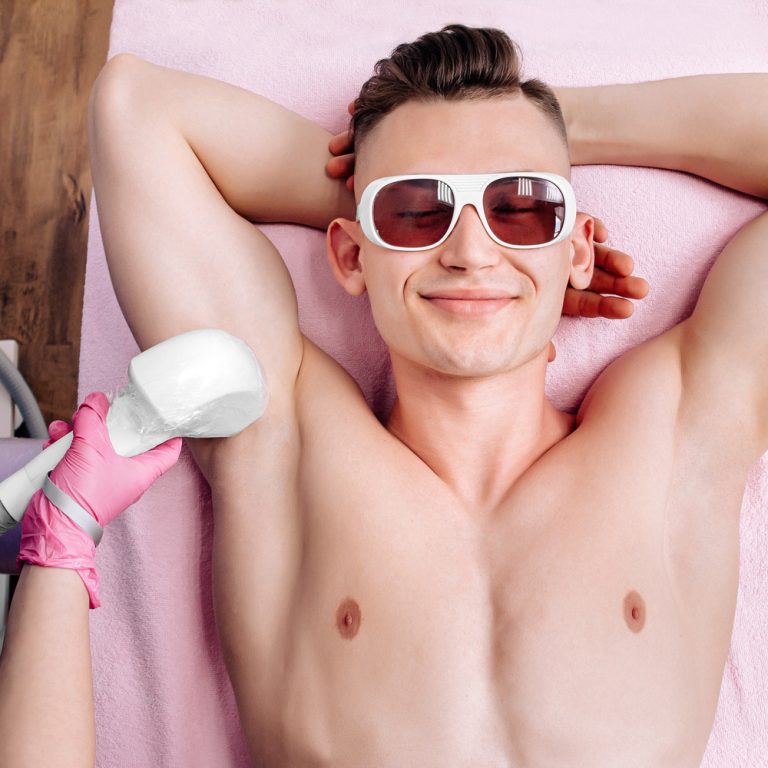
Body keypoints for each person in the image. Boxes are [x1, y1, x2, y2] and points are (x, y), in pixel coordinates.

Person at [1, 23, 766, 768]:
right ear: (349, 253)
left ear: (578, 250)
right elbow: (136, 107)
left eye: (520, 205)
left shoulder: (674, 432)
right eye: (417, 211)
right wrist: (415, 203)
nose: (471, 252)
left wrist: (566, 126)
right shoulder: (287, 436)